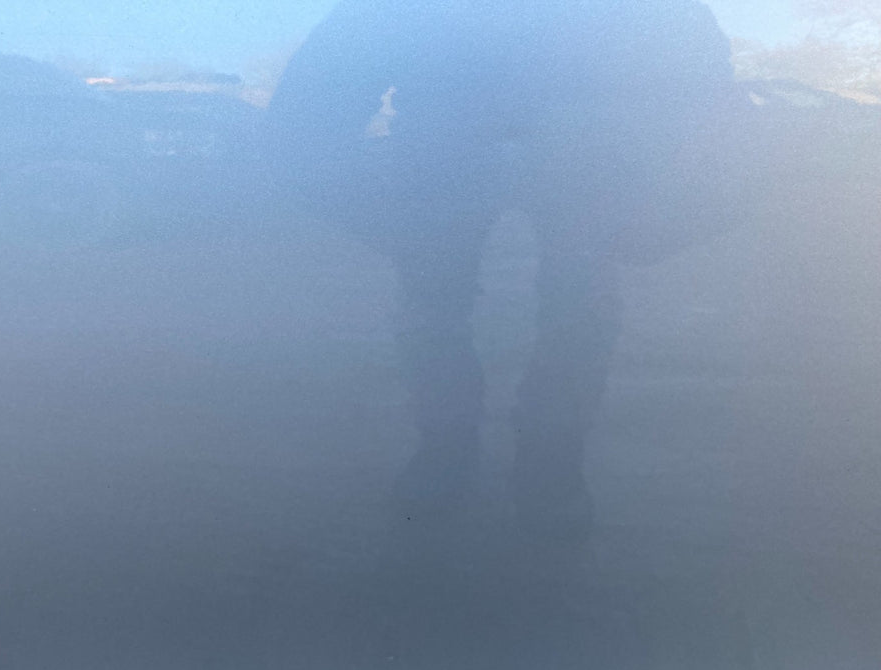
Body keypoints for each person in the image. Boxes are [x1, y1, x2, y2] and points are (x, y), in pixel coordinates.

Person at [266, 0, 748, 543]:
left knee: (566, 309)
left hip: (565, 149)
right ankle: (467, 451)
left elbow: (691, 60)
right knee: (454, 306)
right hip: (465, 145)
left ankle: (537, 459)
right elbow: (338, 64)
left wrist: (665, 160)